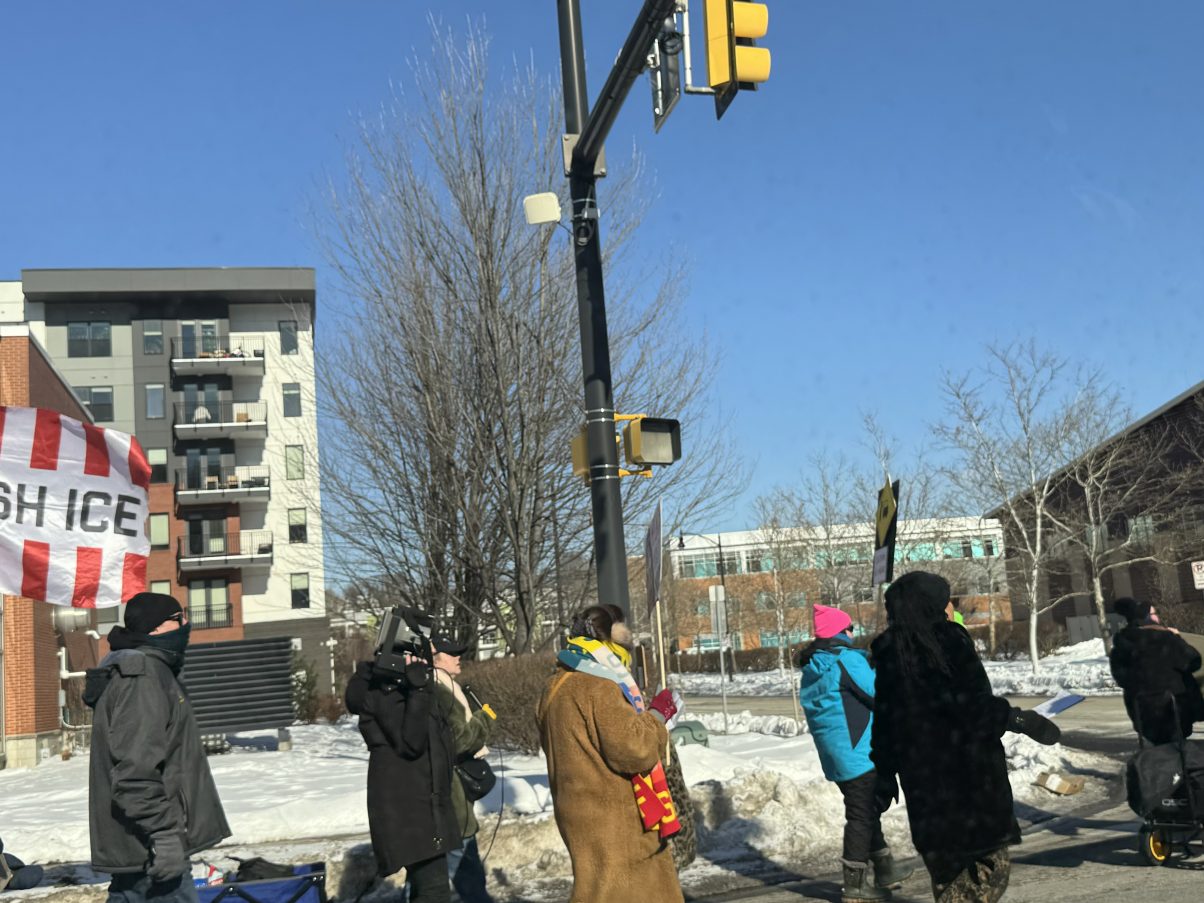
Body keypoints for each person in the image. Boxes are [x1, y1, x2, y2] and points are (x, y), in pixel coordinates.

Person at [870, 572, 1060, 903]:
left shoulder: (891, 657)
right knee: (989, 872)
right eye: (947, 600)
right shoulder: (948, 643)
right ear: (933, 606)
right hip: (971, 790)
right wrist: (1018, 718)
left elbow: (886, 725)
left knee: (947, 876)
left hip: (927, 796)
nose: (950, 607)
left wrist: (883, 777)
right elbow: (972, 707)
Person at [84, 593, 230, 903]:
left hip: (146, 847)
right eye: (178, 619)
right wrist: (164, 836)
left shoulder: (155, 671)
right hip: (152, 849)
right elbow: (134, 770)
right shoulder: (143, 677)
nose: (186, 625)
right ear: (155, 629)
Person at [537, 605, 684, 903]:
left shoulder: (557, 684)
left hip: (580, 813)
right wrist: (657, 715)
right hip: (615, 820)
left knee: (598, 888)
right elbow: (634, 750)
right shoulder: (597, 685)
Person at [345, 626, 491, 903]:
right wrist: (419, 690)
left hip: (425, 806)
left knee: (433, 886)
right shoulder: (390, 692)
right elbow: (412, 742)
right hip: (414, 811)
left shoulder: (398, 688)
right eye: (418, 655)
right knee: (432, 891)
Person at [797, 605, 912, 902]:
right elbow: (878, 694)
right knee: (861, 815)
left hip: (836, 756)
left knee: (866, 809)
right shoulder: (846, 660)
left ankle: (885, 868)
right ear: (840, 632)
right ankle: (855, 885)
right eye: (849, 628)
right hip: (859, 752)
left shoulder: (814, 667)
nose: (853, 633)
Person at [431, 629, 496, 903]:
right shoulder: (439, 689)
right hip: (451, 791)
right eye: (451, 653)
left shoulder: (445, 684)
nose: (459, 657)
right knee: (464, 861)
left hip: (452, 791)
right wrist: (484, 720)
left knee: (449, 865)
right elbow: (459, 740)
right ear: (435, 657)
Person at [1109, 597, 1204, 745]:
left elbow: (1121, 679)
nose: (1157, 616)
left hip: (1142, 714)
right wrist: (1178, 638)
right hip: (1176, 711)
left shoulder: (1122, 645)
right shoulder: (1166, 640)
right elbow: (1194, 662)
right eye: (1154, 613)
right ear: (1147, 618)